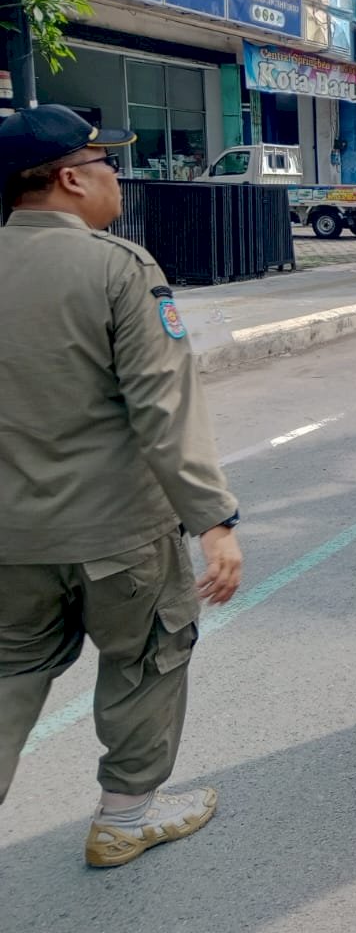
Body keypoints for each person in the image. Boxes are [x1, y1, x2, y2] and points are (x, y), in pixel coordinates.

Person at [0, 105, 243, 868]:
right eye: (108, 167)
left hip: (11, 541)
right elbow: (162, 409)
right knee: (148, 659)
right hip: (118, 536)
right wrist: (214, 520)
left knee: (8, 675)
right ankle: (126, 817)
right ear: (70, 179)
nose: (118, 181)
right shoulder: (119, 268)